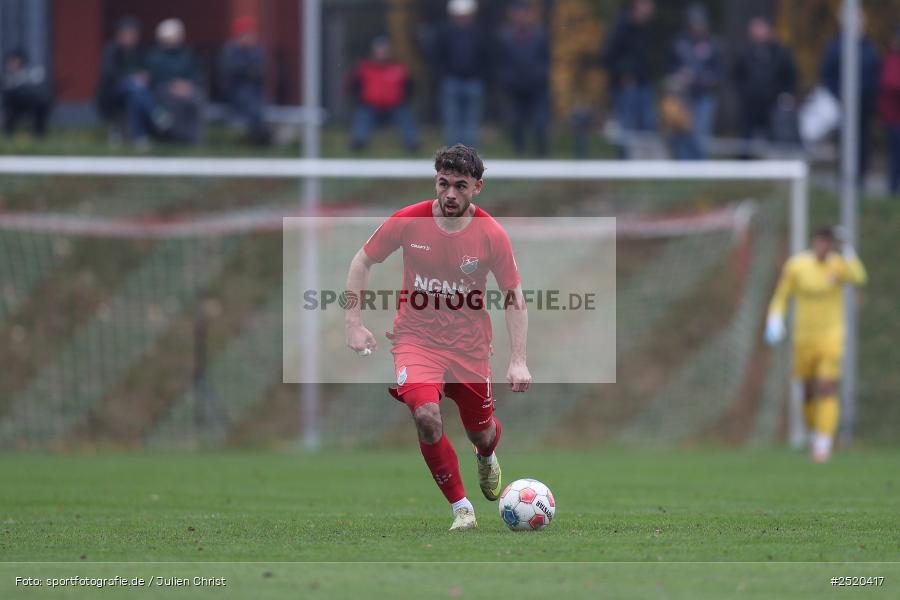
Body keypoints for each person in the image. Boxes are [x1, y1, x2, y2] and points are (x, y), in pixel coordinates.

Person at [343, 145, 531, 530]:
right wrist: (353, 322)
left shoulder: (491, 234)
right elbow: (362, 261)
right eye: (443, 183)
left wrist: (518, 359)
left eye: (460, 186)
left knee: (482, 431)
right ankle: (461, 508)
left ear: (477, 187)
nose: (449, 194)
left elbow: (514, 295)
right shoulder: (408, 221)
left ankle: (485, 455)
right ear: (435, 180)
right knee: (427, 417)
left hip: (470, 347)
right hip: (416, 340)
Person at [765, 227, 867, 463]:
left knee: (827, 387)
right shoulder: (797, 266)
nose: (823, 247)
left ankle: (823, 444)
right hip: (803, 339)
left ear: (832, 245)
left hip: (831, 337)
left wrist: (849, 250)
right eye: (820, 242)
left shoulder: (839, 265)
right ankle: (816, 434)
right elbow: (782, 295)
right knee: (808, 391)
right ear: (813, 242)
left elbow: (860, 277)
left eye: (827, 243)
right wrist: (775, 318)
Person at [820, 11, 880, 186]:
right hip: (843, 105)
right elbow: (827, 75)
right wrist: (839, 95)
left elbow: (875, 75)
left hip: (864, 105)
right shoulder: (835, 47)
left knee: (863, 143)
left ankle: (860, 179)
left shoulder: (869, 47)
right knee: (844, 143)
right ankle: (844, 179)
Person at [731, 17, 796, 156]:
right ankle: (743, 165)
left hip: (772, 102)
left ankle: (774, 163)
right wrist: (744, 92)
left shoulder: (779, 52)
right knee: (746, 135)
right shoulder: (744, 52)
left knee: (774, 134)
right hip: (750, 103)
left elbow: (789, 75)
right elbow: (736, 76)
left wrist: (787, 94)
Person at [494, 1, 550, 156]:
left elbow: (546, 59)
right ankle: (520, 152)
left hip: (536, 86)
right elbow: (500, 62)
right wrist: (508, 79)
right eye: (517, 14)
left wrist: (539, 75)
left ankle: (541, 154)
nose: (520, 17)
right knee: (516, 122)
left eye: (523, 13)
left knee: (540, 121)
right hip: (515, 87)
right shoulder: (504, 36)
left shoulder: (539, 34)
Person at [602, 0, 656, 157]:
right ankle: (624, 164)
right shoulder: (621, 27)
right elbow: (608, 55)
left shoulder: (645, 28)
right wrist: (624, 75)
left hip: (644, 83)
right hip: (626, 86)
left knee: (647, 125)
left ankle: (645, 162)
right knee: (626, 126)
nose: (651, 7)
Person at [347, 36, 419, 152]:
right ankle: (359, 142)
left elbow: (409, 87)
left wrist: (402, 100)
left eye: (384, 51)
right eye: (379, 50)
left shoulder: (399, 68)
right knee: (362, 114)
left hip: (395, 106)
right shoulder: (363, 67)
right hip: (370, 105)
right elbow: (352, 85)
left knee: (405, 114)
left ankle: (411, 143)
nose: (381, 53)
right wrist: (359, 99)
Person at [432, 0, 489, 148]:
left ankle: (470, 155)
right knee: (452, 121)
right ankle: (452, 156)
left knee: (471, 121)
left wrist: (481, 76)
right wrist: (443, 75)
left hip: (473, 82)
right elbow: (437, 56)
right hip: (451, 81)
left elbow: (486, 56)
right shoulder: (445, 33)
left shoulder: (479, 33)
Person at [669, 4, 721, 159]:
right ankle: (685, 167)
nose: (698, 26)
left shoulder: (712, 44)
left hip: (705, 94)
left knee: (702, 132)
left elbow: (718, 71)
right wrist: (679, 76)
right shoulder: (679, 43)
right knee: (683, 131)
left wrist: (705, 78)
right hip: (684, 96)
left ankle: (701, 168)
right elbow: (670, 68)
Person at [145, 18, 204, 145]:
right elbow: (155, 76)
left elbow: (196, 74)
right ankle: (176, 137)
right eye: (170, 37)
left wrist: (188, 84)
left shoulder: (186, 54)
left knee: (196, 97)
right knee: (174, 101)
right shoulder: (155, 56)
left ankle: (194, 139)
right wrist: (173, 85)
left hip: (186, 88)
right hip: (163, 89)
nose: (173, 40)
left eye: (175, 36)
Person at [95, 16, 150, 145]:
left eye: (134, 34)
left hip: (135, 92)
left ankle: (138, 136)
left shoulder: (140, 51)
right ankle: (155, 116)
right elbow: (110, 74)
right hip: (112, 91)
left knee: (136, 96)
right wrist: (131, 79)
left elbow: (146, 70)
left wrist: (144, 76)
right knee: (135, 89)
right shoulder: (112, 50)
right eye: (129, 33)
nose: (132, 37)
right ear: (120, 35)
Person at [218, 15, 269, 145]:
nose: (249, 37)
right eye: (246, 34)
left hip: (254, 91)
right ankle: (259, 138)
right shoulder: (230, 50)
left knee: (257, 104)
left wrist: (247, 71)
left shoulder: (256, 50)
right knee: (251, 104)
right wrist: (247, 70)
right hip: (234, 91)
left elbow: (260, 71)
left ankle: (258, 137)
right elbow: (230, 72)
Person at [2, 49, 53, 138]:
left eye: (15, 61)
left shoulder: (31, 73)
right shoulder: (6, 77)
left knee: (42, 103)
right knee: (9, 110)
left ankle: (39, 134)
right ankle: (8, 134)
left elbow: (40, 87)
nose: (12, 64)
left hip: (31, 103)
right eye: (11, 61)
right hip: (14, 106)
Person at [879, 27, 900, 196]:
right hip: (894, 118)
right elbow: (891, 84)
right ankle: (892, 189)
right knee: (895, 156)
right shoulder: (893, 59)